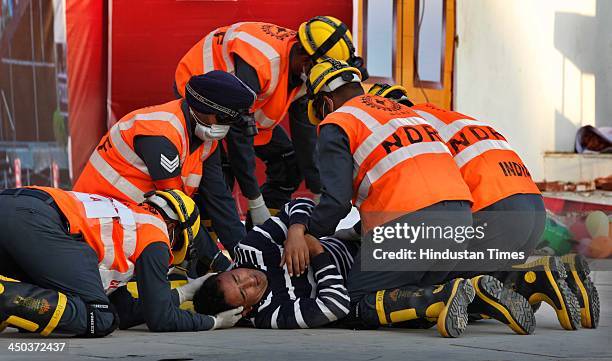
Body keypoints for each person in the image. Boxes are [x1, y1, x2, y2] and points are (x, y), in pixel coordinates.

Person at [368, 82, 598, 330]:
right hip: (532, 208)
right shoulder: (452, 117)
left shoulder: (408, 130)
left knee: (438, 283)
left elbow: (421, 200)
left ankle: (531, 279)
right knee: (475, 271)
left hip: (494, 210)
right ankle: (557, 276)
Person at [174, 17, 369, 225]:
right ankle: (209, 249)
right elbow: (239, 134)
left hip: (247, 108)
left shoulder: (304, 68)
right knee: (221, 177)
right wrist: (255, 201)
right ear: (305, 57)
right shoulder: (261, 62)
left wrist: (318, 188)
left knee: (288, 164)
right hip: (203, 100)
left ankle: (265, 233)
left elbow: (305, 134)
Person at [74, 71, 256, 273]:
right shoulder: (160, 134)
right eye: (224, 119)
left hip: (131, 220)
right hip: (97, 223)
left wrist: (246, 253)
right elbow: (177, 210)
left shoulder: (206, 136)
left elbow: (218, 197)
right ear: (205, 108)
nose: (226, 127)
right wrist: (219, 263)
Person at [0, 187, 243, 336]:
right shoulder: (156, 237)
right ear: (175, 228)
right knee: (100, 318)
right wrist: (214, 322)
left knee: (104, 310)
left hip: (18, 205)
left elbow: (124, 311)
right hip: (39, 222)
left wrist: (184, 294)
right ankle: (7, 297)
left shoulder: (128, 220)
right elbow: (161, 320)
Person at [192, 198, 358, 329]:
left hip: (355, 240)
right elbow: (337, 305)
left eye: (237, 278)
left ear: (226, 271)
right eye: (244, 293)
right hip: (365, 275)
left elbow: (301, 204)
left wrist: (296, 231)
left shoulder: (251, 247)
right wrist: (317, 254)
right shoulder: (271, 314)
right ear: (244, 310)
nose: (250, 281)